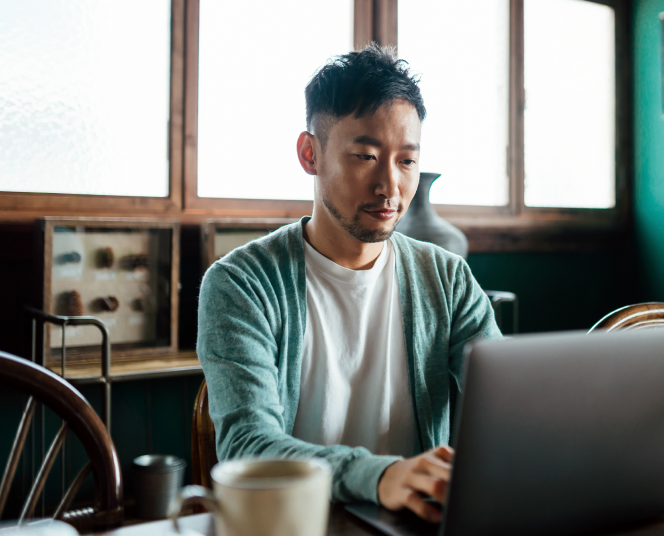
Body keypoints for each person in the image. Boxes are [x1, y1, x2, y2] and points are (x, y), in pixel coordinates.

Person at [197, 44, 502, 523]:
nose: (390, 186)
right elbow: (247, 445)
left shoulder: (446, 278)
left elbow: (506, 406)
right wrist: (381, 477)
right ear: (309, 153)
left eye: (406, 161)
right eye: (365, 156)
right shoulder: (240, 284)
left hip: (414, 524)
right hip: (298, 524)